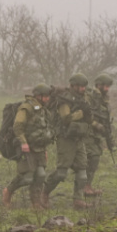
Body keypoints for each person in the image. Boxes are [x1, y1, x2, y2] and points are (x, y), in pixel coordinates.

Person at [43, 73, 93, 210]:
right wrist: (82, 113)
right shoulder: (64, 99)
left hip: (79, 137)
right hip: (65, 138)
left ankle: (78, 200)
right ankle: (44, 193)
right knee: (61, 173)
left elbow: (88, 117)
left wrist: (88, 114)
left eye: (84, 87)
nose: (83, 89)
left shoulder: (84, 98)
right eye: (80, 87)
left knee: (82, 171)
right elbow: (66, 118)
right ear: (73, 86)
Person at [1, 84, 55, 209]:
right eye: (45, 96)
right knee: (26, 177)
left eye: (48, 97)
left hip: (39, 148)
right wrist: (23, 142)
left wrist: (45, 148)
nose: (48, 99)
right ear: (38, 96)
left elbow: (43, 130)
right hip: (27, 147)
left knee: (41, 175)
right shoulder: (26, 108)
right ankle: (8, 191)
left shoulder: (43, 110)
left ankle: (35, 203)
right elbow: (18, 126)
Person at [83, 73, 114, 196]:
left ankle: (87, 185)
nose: (107, 89)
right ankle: (84, 186)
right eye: (105, 86)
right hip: (87, 132)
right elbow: (85, 115)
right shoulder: (90, 97)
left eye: (108, 87)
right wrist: (96, 125)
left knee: (95, 158)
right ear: (98, 85)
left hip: (96, 134)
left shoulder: (103, 99)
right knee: (93, 157)